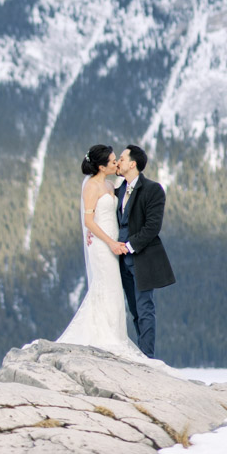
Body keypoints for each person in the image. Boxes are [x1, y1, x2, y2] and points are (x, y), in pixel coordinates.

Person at [56, 144, 143, 358]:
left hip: (113, 243)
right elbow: (88, 220)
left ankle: (114, 335)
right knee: (107, 287)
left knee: (114, 291)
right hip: (102, 245)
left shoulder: (111, 184)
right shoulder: (91, 187)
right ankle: (105, 339)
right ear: (102, 167)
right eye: (113, 161)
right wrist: (110, 242)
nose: (116, 164)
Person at [114, 145, 175, 358]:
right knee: (134, 311)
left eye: (121, 158)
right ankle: (141, 354)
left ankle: (147, 358)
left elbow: (152, 226)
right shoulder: (119, 189)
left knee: (145, 308)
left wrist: (129, 246)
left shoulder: (153, 189)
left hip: (142, 259)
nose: (118, 162)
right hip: (120, 262)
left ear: (133, 163)